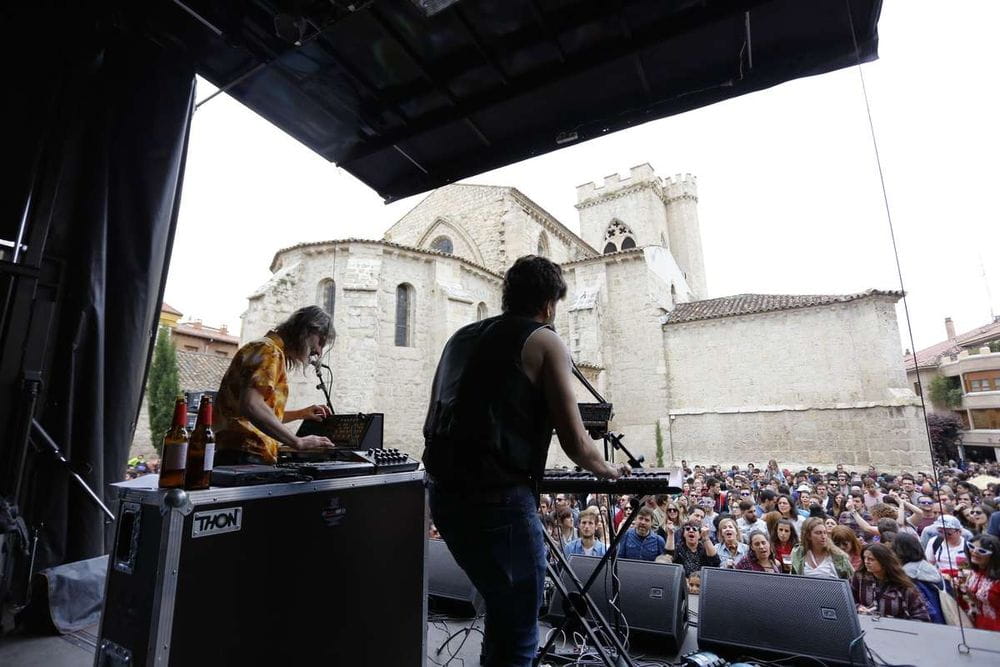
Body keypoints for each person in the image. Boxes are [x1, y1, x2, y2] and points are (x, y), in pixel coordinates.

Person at [423, 256, 629, 667]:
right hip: (499, 499)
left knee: (502, 610)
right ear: (550, 304)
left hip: (444, 496)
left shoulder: (459, 338)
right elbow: (576, 444)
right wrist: (611, 470)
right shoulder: (545, 340)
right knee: (518, 625)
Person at [215, 306, 335, 465]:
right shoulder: (270, 351)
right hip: (246, 455)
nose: (319, 352)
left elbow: (256, 416)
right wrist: (297, 442)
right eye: (321, 342)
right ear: (308, 330)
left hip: (233, 453)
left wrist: (301, 414)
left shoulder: (259, 347)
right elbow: (251, 405)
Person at [850, 544, 930, 621]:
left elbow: (922, 616)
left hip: (896, 630)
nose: (866, 562)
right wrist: (858, 608)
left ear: (884, 562)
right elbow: (848, 601)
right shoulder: (859, 577)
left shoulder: (904, 586)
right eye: (865, 558)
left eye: (871, 559)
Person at [892, 533, 947, 624]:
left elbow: (925, 608)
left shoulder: (908, 577)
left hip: (924, 625)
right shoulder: (929, 568)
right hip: (940, 621)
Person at [957, 534, 1000, 631]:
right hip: (978, 624)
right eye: (971, 546)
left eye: (982, 551)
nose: (974, 552)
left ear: (993, 555)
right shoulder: (974, 571)